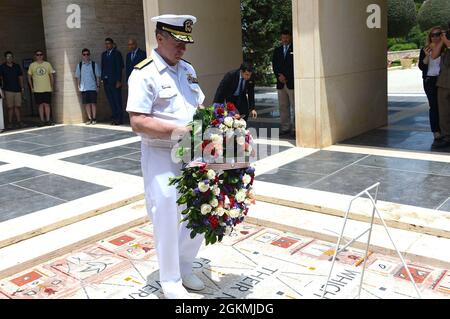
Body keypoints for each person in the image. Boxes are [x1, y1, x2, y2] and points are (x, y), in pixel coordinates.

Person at [127, 14, 206, 299]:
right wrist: (178, 130)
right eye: (176, 41)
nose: (182, 48)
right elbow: (138, 121)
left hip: (192, 152)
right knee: (167, 215)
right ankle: (170, 280)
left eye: (186, 42)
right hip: (161, 154)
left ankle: (185, 266)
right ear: (159, 37)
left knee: (198, 210)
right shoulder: (144, 72)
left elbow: (199, 105)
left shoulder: (187, 69)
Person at [419, 27, 443, 145]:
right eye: (432, 35)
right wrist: (427, 55)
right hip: (430, 81)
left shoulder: (445, 49)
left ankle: (445, 129)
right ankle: (436, 131)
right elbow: (421, 67)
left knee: (444, 106)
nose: (435, 37)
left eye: (438, 34)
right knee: (434, 106)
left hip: (442, 80)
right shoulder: (425, 49)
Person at [272, 29, 295, 136]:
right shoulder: (277, 50)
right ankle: (285, 127)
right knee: (283, 106)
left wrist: (286, 77)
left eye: (286, 37)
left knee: (295, 106)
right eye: (283, 37)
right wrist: (279, 76)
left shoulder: (295, 49)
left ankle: (295, 128)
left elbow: (295, 66)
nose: (284, 40)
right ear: (280, 38)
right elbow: (275, 65)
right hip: (280, 83)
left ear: (290, 37)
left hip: (291, 83)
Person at [431, 25, 450, 148]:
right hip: (444, 81)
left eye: (439, 34)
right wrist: (442, 40)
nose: (437, 36)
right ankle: (446, 136)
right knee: (444, 111)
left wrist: (448, 43)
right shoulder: (444, 41)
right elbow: (434, 55)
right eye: (435, 34)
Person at [28, 50, 56, 126]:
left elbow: (51, 76)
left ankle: (48, 120)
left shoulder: (47, 64)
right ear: (35, 56)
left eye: (41, 54)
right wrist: (31, 87)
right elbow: (29, 77)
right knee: (40, 105)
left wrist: (52, 86)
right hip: (37, 89)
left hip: (47, 88)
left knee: (47, 104)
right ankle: (42, 120)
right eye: (37, 55)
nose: (39, 56)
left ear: (43, 55)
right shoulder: (32, 65)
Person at [101, 38, 124, 125]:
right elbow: (103, 67)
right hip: (107, 82)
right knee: (111, 101)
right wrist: (103, 78)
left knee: (117, 100)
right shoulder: (104, 54)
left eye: (108, 43)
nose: (107, 45)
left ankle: (119, 118)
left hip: (115, 82)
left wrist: (118, 80)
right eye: (106, 44)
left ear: (112, 44)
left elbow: (119, 67)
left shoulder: (117, 54)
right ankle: (114, 118)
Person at [75, 48, 101, 125]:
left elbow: (97, 76)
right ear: (82, 55)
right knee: (87, 104)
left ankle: (94, 118)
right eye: (84, 54)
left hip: (92, 87)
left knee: (93, 103)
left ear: (89, 55)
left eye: (87, 54)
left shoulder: (94, 64)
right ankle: (90, 118)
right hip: (84, 88)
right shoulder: (79, 65)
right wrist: (78, 86)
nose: (86, 56)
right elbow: (78, 77)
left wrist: (98, 86)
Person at [0, 51, 25, 129]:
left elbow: (20, 77)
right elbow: (1, 79)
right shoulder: (2, 67)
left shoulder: (16, 66)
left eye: (10, 56)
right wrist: (1, 90)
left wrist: (22, 88)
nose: (9, 58)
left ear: (12, 57)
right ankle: (10, 122)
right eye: (7, 56)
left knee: (18, 106)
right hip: (8, 90)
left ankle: (19, 122)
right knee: (10, 107)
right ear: (5, 58)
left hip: (17, 89)